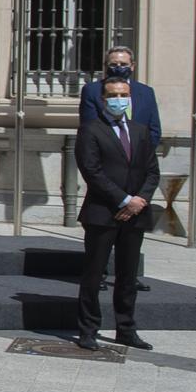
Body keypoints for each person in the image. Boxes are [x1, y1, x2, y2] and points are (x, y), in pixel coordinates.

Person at [73, 77, 158, 351]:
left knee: (127, 275)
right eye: (113, 95)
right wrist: (123, 200)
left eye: (123, 94)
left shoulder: (140, 130)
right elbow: (92, 171)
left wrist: (139, 201)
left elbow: (152, 171)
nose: (119, 99)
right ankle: (88, 329)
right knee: (94, 274)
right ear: (103, 98)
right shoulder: (90, 130)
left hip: (136, 215)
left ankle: (126, 328)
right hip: (102, 213)